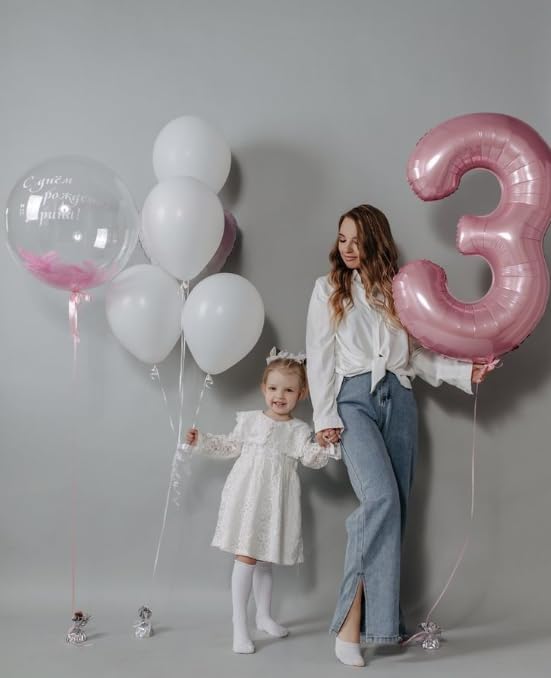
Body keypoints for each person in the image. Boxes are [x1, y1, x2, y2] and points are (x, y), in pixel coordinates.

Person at [306, 204, 491, 667]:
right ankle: (348, 625)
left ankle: (384, 626)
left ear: (376, 241)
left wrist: (465, 372)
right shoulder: (328, 288)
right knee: (380, 500)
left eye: (356, 239)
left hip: (400, 400)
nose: (348, 248)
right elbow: (319, 353)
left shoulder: (399, 291)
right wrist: (324, 415)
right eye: (342, 239)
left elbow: (417, 357)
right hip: (353, 401)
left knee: (397, 511)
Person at [185, 348, 339, 654]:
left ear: (302, 394)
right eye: (273, 388)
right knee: (246, 557)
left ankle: (264, 616)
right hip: (249, 496)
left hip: (277, 501)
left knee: (265, 560)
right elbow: (229, 446)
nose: (279, 396)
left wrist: (323, 444)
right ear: (263, 388)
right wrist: (201, 440)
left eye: (289, 390)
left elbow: (311, 459)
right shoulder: (251, 421)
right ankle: (239, 625)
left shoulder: (299, 430)